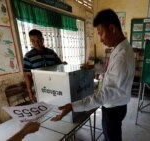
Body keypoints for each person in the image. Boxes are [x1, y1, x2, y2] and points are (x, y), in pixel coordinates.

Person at [51, 9, 135, 141]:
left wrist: (74, 106)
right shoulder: (121, 49)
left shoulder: (122, 56)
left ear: (112, 28)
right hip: (118, 104)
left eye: (101, 33)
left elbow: (106, 93)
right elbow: (109, 70)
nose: (100, 39)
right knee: (111, 135)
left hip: (113, 107)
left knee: (112, 137)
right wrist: (93, 67)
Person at [23, 29, 65, 103]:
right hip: (40, 89)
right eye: (33, 41)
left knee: (57, 105)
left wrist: (63, 64)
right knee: (44, 108)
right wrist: (30, 92)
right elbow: (27, 75)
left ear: (42, 39)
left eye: (38, 40)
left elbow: (59, 65)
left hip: (55, 87)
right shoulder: (28, 56)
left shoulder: (51, 53)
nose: (36, 43)